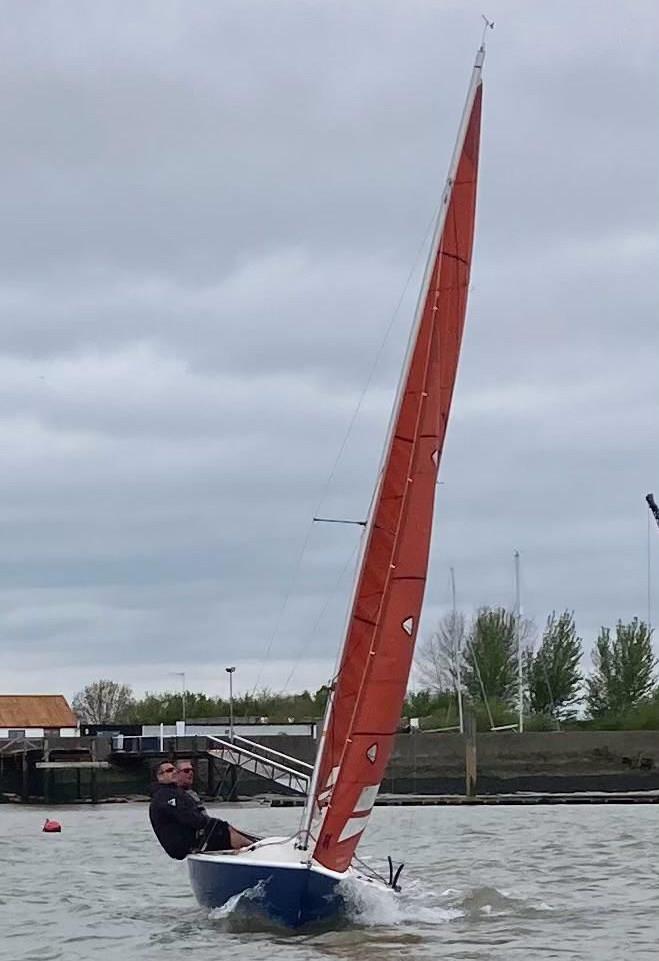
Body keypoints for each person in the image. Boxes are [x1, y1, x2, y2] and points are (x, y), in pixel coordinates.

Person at [149, 760, 250, 860]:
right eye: (170, 770)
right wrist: (209, 823)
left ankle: (250, 847)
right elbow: (190, 818)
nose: (174, 772)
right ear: (160, 776)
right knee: (220, 828)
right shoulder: (165, 796)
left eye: (174, 769)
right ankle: (251, 849)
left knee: (223, 826)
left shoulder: (172, 792)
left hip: (192, 839)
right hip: (185, 846)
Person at [175, 758, 257, 850]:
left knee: (231, 829)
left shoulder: (191, 793)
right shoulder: (176, 795)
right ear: (176, 774)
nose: (191, 773)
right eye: (186, 771)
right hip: (198, 837)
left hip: (207, 830)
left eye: (192, 770)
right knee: (232, 834)